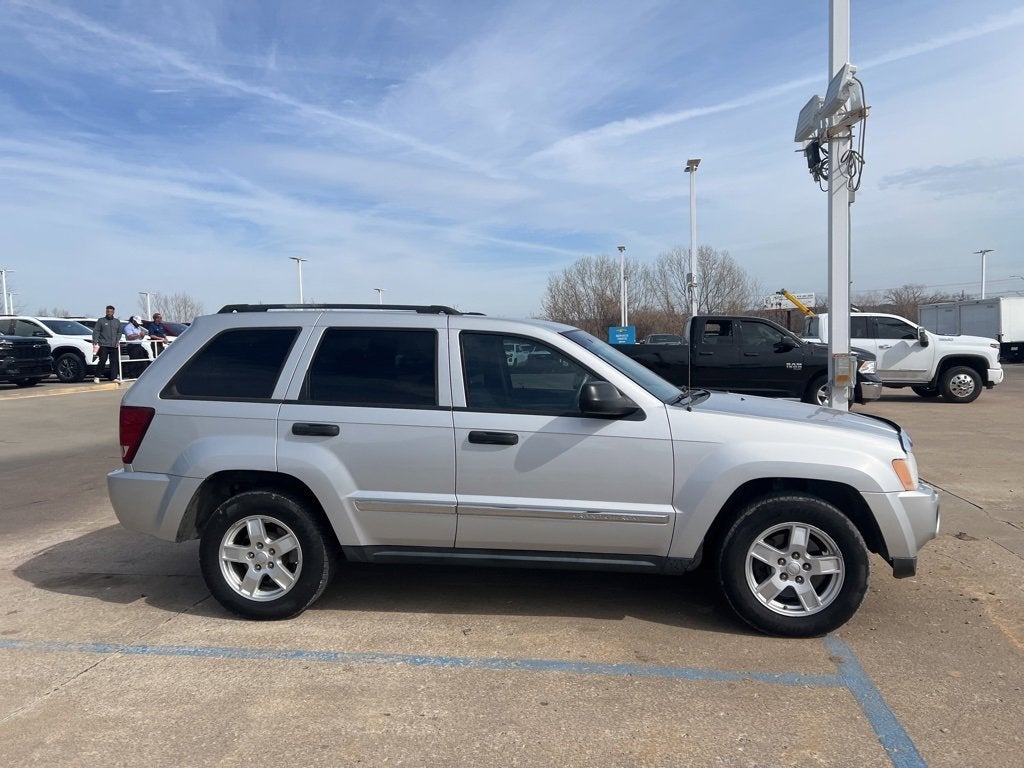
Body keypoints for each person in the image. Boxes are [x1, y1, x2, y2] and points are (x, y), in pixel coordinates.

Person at [91, 305, 122, 382]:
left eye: (111, 311)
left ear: (113, 312)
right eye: (108, 311)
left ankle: (113, 377)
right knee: (102, 360)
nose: (109, 313)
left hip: (114, 345)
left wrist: (117, 340)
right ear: (106, 311)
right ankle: (97, 376)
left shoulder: (117, 321)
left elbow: (119, 332)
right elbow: (96, 331)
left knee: (114, 361)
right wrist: (95, 340)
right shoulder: (101, 321)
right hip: (103, 344)